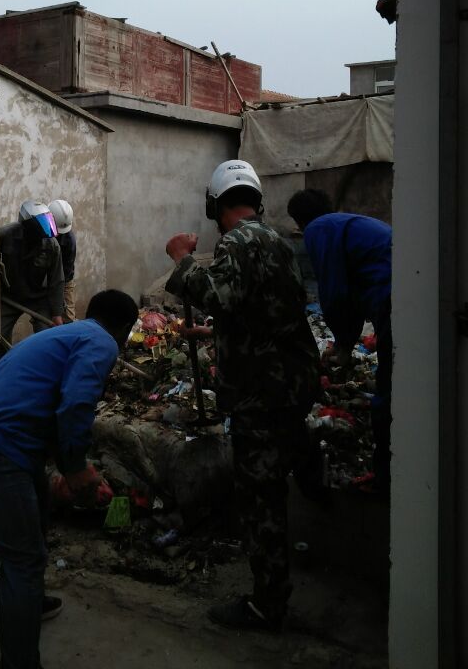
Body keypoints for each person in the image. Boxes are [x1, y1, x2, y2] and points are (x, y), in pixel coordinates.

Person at [165, 160, 320, 633]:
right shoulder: (277, 240)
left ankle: (267, 605)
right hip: (291, 383)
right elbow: (259, 310)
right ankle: (308, 461)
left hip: (262, 394)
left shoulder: (237, 240)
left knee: (260, 498)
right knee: (277, 468)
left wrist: (182, 259)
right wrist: (212, 332)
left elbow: (217, 295)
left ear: (214, 205)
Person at [0, 289, 139, 669]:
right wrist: (76, 467)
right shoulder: (102, 341)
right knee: (24, 557)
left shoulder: (69, 333)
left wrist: (67, 471)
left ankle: (29, 602)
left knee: (37, 514)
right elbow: (75, 404)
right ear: (123, 328)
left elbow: (51, 407)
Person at [287, 189, 392, 493]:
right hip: (404, 296)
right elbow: (351, 294)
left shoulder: (319, 229)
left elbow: (334, 292)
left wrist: (343, 344)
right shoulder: (346, 224)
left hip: (393, 301)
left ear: (299, 221)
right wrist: (345, 340)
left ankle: (385, 481)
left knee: (388, 393)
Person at [0, 201, 64, 343]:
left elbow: (57, 280)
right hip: (10, 297)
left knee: (47, 339)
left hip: (39, 299)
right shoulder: (5, 235)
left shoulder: (52, 245)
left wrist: (57, 313)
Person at [48, 199, 76, 322]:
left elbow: (65, 273)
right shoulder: (40, 231)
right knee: (45, 318)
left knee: (68, 316)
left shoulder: (69, 241)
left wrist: (59, 305)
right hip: (43, 280)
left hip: (64, 280)